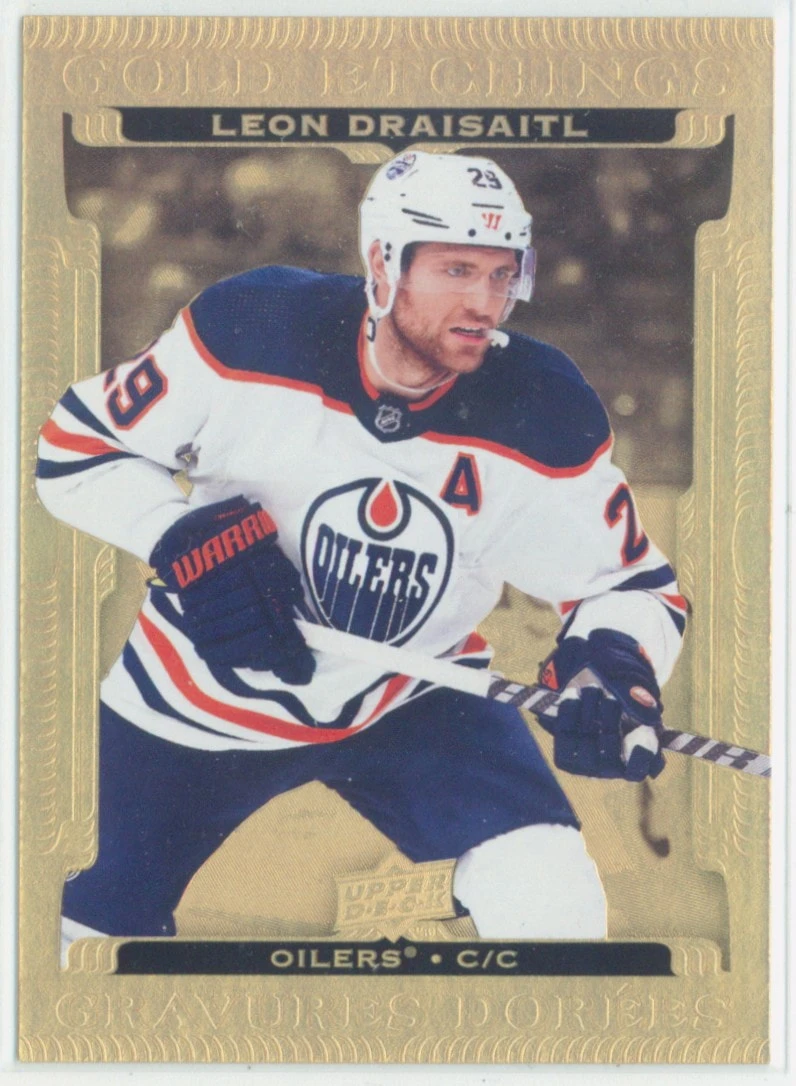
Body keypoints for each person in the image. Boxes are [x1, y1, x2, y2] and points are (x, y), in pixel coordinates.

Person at [37, 150, 686, 959]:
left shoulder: (541, 407)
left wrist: (609, 663)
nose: (484, 302)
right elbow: (73, 450)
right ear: (383, 264)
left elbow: (631, 584)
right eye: (456, 270)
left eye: (500, 274)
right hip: (195, 697)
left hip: (413, 695)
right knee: (65, 946)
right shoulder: (250, 328)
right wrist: (178, 536)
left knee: (555, 902)